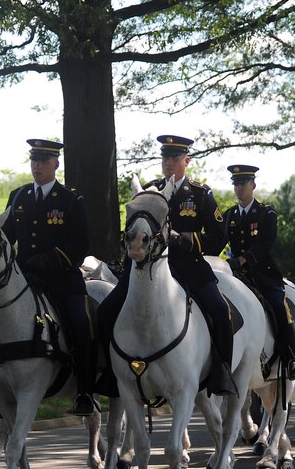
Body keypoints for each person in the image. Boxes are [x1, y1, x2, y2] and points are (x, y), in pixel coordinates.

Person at [96, 135, 236, 397]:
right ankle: (111, 373)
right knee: (105, 313)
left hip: (188, 267)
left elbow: (218, 236)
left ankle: (221, 371)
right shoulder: (151, 191)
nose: (168, 162)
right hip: (147, 270)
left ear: (186, 160)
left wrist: (186, 240)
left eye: (174, 157)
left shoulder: (199, 193)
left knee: (220, 310)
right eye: (165, 157)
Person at [0, 139, 94, 416]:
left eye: (43, 160)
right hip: (24, 279)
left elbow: (81, 243)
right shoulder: (18, 197)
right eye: (34, 159)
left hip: (62, 280)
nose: (37, 165)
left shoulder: (70, 199)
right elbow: (5, 238)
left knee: (81, 323)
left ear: (56, 164)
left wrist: (50, 259)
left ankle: (85, 392)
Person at [223, 164, 295, 380]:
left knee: (280, 305)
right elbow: (218, 242)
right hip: (234, 274)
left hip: (262, 273)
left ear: (253, 185)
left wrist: (243, 259)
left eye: (243, 184)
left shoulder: (265, 213)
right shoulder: (229, 215)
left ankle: (292, 357)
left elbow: (265, 242)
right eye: (236, 184)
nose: (239, 188)